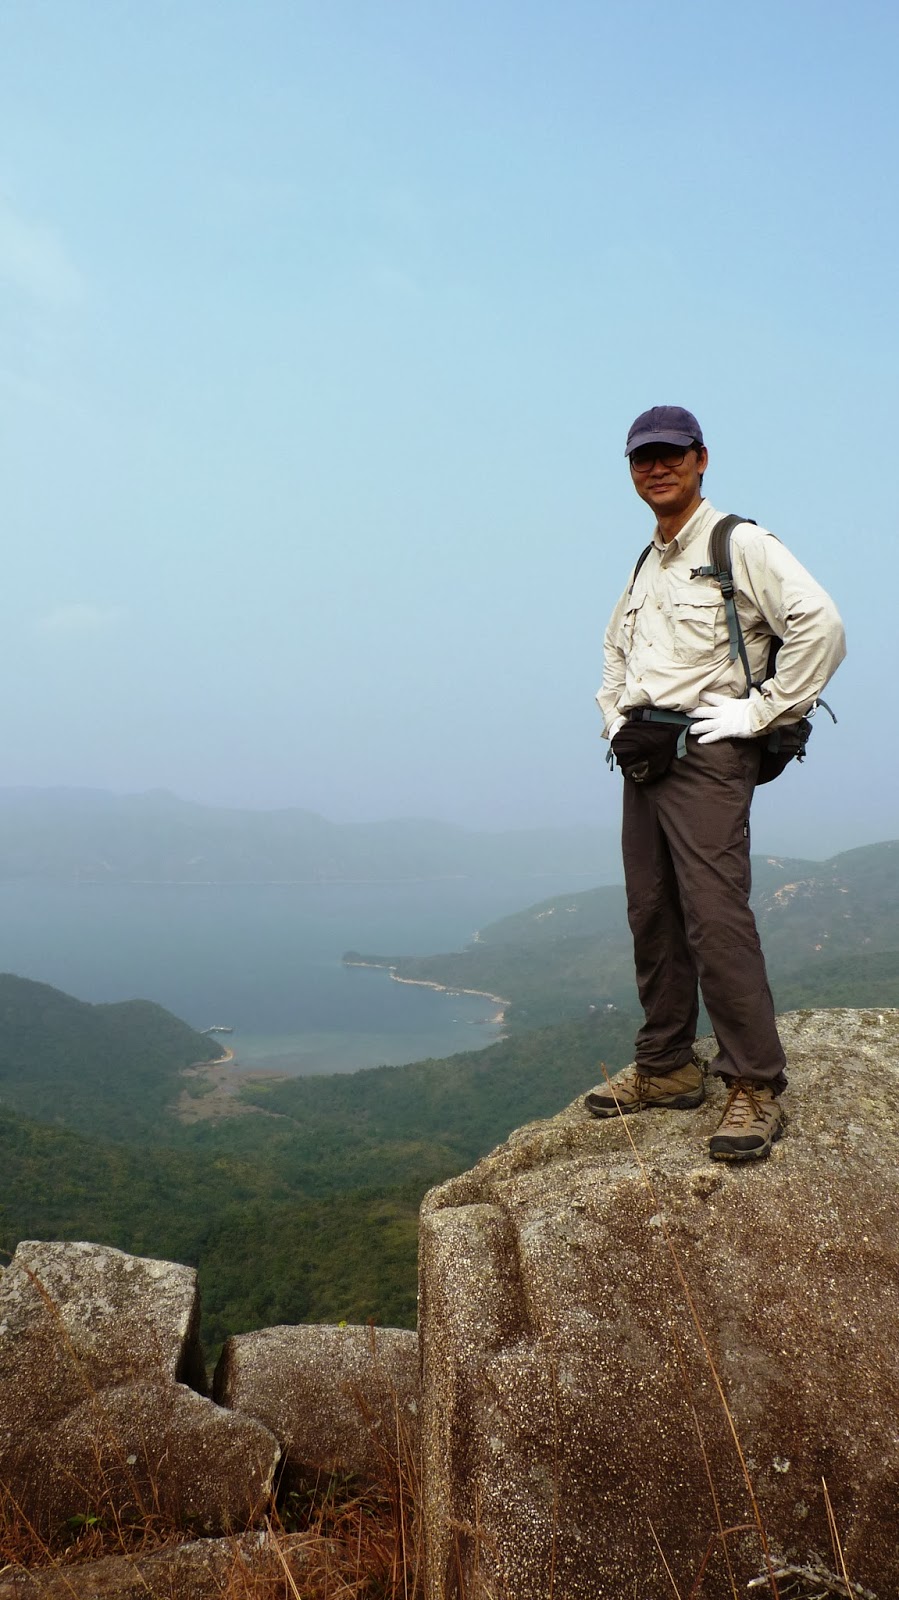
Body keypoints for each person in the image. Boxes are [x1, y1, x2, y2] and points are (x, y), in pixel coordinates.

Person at [584, 405, 845, 1160]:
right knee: (651, 911)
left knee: (713, 915)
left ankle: (754, 1082)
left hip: (707, 750)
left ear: (701, 459)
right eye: (643, 458)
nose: (657, 468)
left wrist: (759, 712)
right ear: (631, 470)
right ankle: (666, 1064)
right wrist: (614, 715)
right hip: (645, 754)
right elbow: (615, 650)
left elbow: (821, 627)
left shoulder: (738, 543)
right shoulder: (648, 561)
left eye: (672, 454)